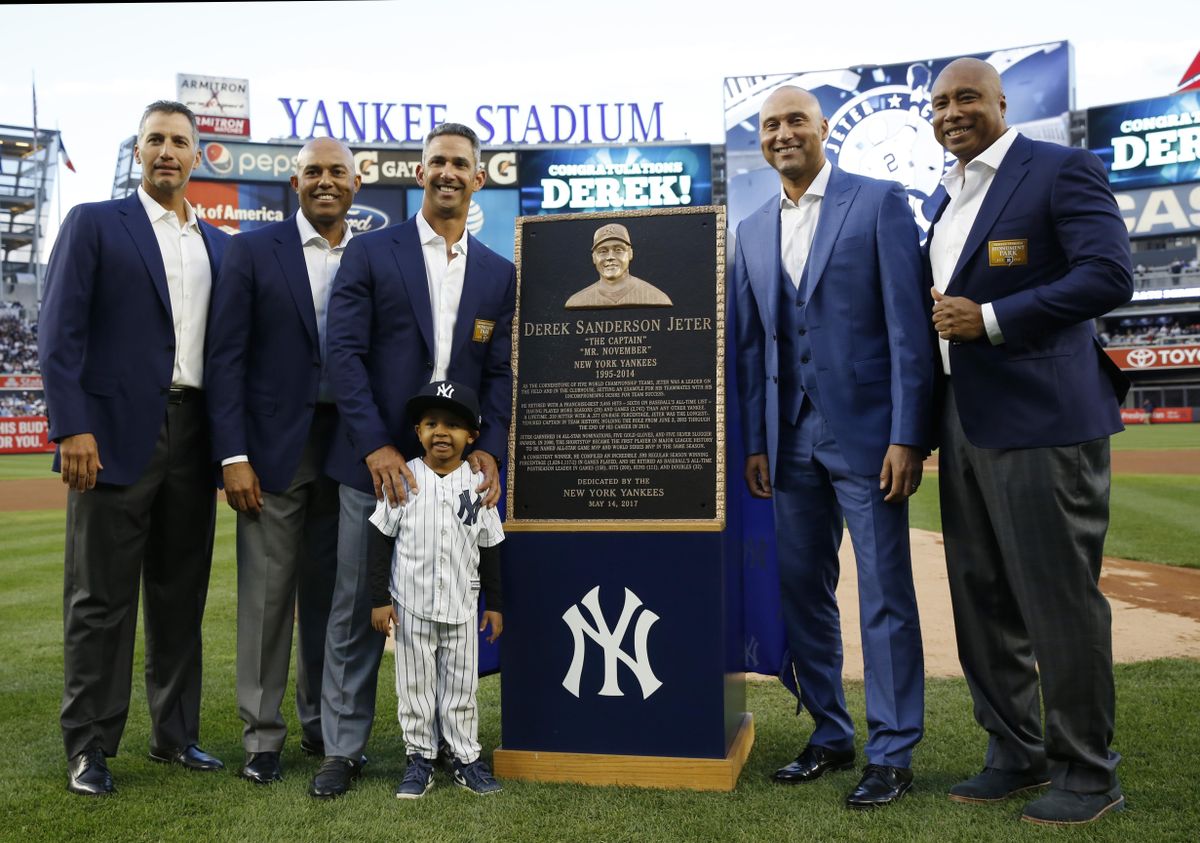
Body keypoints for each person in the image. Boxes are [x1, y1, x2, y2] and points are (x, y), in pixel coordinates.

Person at [927, 58, 1133, 826]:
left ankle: (1087, 770)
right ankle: (1013, 752)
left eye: (968, 97)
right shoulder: (941, 199)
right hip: (966, 420)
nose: (953, 112)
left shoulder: (1061, 168)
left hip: (1046, 419)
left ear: (1001, 104)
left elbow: (1110, 275)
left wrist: (991, 318)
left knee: (1059, 602)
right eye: (941, 102)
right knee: (983, 600)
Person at [732, 85, 933, 809]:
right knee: (799, 593)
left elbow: (910, 327)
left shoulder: (877, 202)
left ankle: (892, 749)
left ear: (822, 128)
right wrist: (754, 440)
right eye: (770, 124)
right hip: (785, 443)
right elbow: (750, 346)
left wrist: (909, 433)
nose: (782, 133)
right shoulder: (750, 229)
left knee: (885, 593)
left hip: (869, 439)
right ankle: (830, 729)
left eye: (795, 121)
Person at [312, 122, 515, 799]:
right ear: (419, 173)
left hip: (455, 470)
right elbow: (343, 353)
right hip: (377, 460)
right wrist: (375, 443)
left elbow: (500, 372)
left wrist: (487, 446)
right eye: (437, 162)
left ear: (478, 177)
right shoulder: (371, 253)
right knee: (358, 607)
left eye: (461, 163)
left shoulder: (498, 271)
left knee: (454, 605)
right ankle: (344, 748)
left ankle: (452, 747)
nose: (448, 172)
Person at [38, 101, 230, 796]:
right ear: (140, 150)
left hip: (194, 432)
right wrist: (71, 426)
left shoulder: (218, 244)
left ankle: (174, 736)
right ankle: (89, 745)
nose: (167, 152)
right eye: (155, 140)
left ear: (198, 153)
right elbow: (58, 331)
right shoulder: (96, 222)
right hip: (113, 435)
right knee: (99, 599)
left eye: (180, 141)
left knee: (180, 595)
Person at [204, 137, 361, 784]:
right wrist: (233, 454)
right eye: (313, 172)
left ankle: (325, 725)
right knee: (268, 596)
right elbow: (226, 358)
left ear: (358, 182)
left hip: (348, 447)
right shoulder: (251, 249)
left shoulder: (377, 252)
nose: (325, 182)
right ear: (294, 182)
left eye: (336, 172)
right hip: (272, 448)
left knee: (335, 597)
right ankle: (262, 735)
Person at [367, 380, 504, 798]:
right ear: (418, 431)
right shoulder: (404, 480)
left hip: (463, 606)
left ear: (472, 436)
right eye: (430, 423)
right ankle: (420, 758)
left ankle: (465, 758)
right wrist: (379, 599)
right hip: (411, 607)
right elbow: (379, 539)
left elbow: (492, 547)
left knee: (462, 688)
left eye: (453, 424)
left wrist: (494, 605)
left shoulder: (480, 485)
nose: (441, 432)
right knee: (415, 689)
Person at [563, 223, 673, 309]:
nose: (610, 257)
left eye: (618, 250)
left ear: (630, 253)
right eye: (603, 251)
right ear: (594, 258)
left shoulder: (655, 297)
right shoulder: (577, 301)